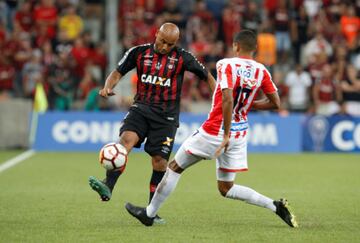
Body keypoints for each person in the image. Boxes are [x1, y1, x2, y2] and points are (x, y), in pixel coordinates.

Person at [125, 30, 298, 228]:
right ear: (255, 48)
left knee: (174, 168)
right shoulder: (262, 71)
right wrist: (247, 105)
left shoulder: (226, 64)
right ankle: (275, 206)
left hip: (216, 130)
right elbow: (275, 103)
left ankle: (149, 214)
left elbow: (227, 97)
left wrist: (224, 133)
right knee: (226, 188)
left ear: (235, 46)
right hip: (240, 133)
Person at [88, 23, 216, 224]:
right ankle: (108, 186)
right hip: (141, 109)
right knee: (125, 142)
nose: (165, 47)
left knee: (160, 163)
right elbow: (117, 72)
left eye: (170, 44)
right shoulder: (139, 53)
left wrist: (217, 101)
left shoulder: (183, 58)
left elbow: (207, 77)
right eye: (163, 41)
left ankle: (150, 212)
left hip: (166, 118)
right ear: (156, 34)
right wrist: (107, 87)